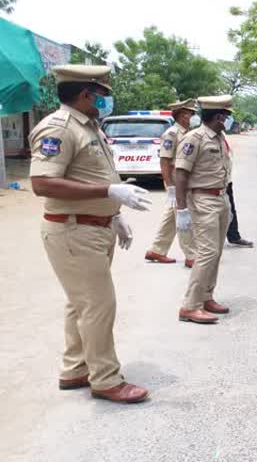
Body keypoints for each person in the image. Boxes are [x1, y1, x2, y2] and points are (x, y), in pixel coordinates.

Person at [28, 64, 152, 404]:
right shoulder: (59, 128)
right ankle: (106, 378)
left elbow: (89, 175)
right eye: (103, 94)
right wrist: (109, 194)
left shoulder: (90, 127)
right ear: (86, 94)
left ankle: (75, 369)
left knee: (80, 304)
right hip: (73, 230)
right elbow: (42, 183)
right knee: (99, 305)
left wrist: (115, 215)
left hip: (91, 228)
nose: (105, 101)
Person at [175, 95, 234, 324]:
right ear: (218, 117)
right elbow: (181, 174)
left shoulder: (219, 138)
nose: (227, 120)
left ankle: (207, 296)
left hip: (220, 198)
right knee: (207, 253)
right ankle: (190, 305)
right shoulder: (194, 138)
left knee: (216, 252)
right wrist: (181, 209)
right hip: (202, 200)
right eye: (226, 116)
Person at [145, 99, 197, 268]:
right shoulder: (172, 133)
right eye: (190, 113)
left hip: (183, 179)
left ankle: (157, 250)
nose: (192, 116)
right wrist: (170, 186)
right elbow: (165, 161)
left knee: (172, 217)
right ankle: (191, 255)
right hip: (176, 180)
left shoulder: (186, 133)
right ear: (182, 115)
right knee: (183, 216)